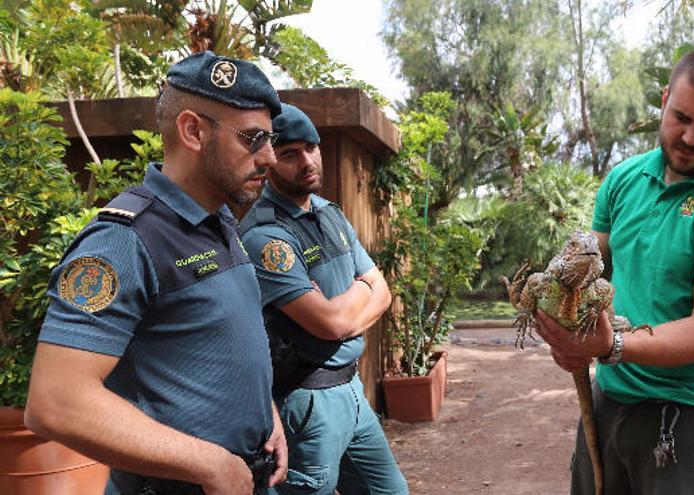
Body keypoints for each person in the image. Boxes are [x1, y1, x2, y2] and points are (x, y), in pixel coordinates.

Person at [25, 51, 288, 495]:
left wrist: (267, 414)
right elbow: (55, 402)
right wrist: (212, 465)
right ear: (192, 131)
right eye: (254, 138)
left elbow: (222, 339)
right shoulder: (124, 240)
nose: (270, 158)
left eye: (270, 139)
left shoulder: (220, 219)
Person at [534, 44, 694, 495]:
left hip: (690, 419)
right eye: (682, 117)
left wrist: (609, 344)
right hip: (609, 401)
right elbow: (596, 257)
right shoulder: (625, 178)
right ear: (664, 98)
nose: (691, 137)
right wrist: (558, 315)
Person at [239, 103, 408, 495]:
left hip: (352, 391)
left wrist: (350, 302)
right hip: (307, 400)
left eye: (311, 148)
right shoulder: (267, 236)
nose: (306, 160)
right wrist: (359, 294)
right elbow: (328, 323)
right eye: (289, 154)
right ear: (268, 161)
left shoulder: (331, 214)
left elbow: (380, 290)